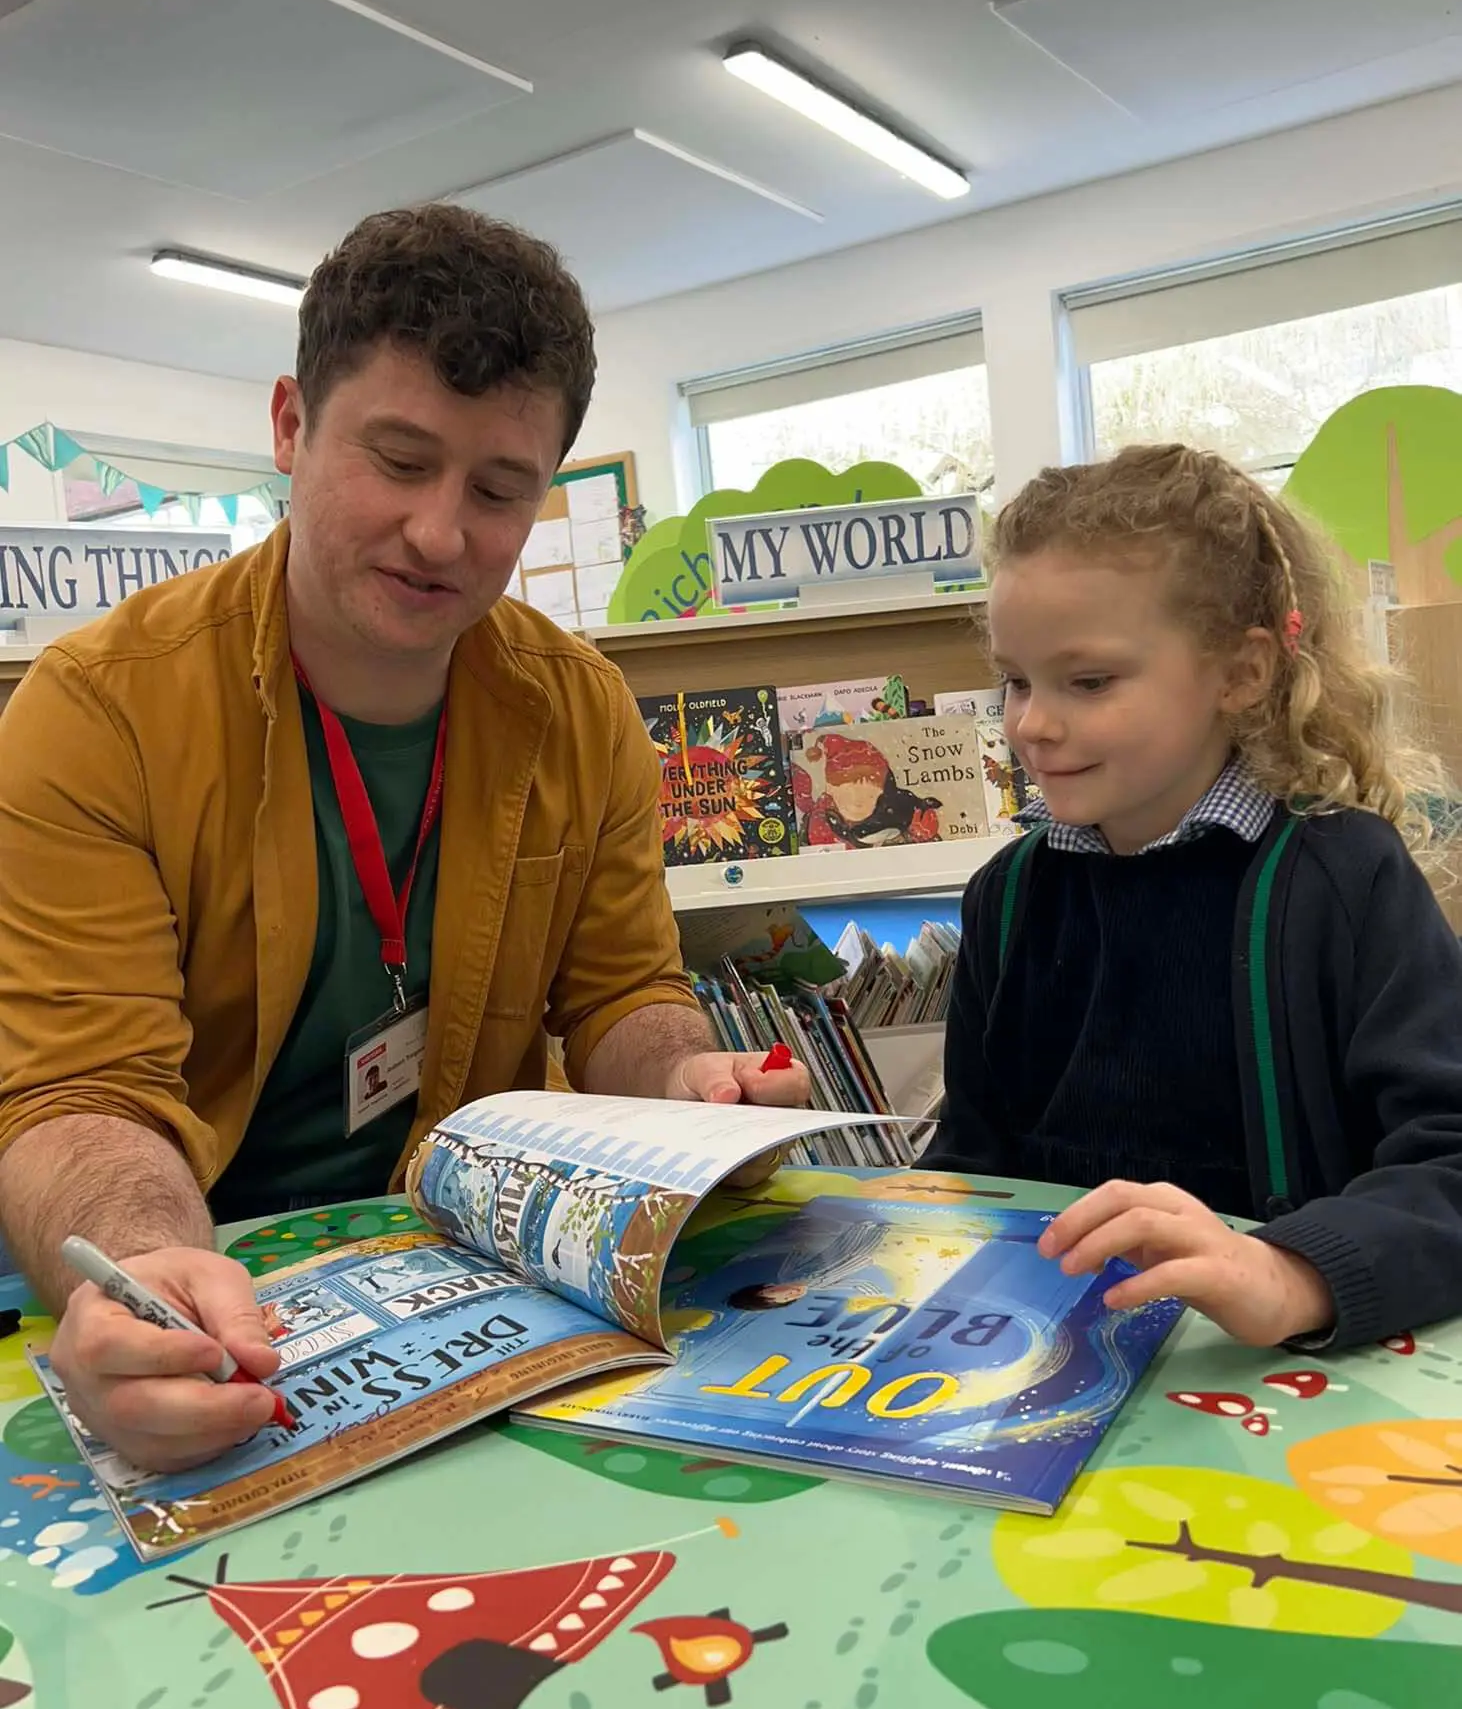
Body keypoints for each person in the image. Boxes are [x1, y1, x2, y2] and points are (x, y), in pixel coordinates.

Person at [0, 204, 808, 1472]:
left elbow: (622, 993)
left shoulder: (580, 706)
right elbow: (74, 1091)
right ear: (288, 424)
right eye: (397, 459)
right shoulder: (96, 710)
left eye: (500, 490)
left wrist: (686, 1082)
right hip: (203, 1285)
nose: (443, 534)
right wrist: (151, 1261)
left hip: (460, 1280)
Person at [923, 441, 1462, 1352]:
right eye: (1015, 680)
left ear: (1241, 675)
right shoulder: (1006, 899)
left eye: (1088, 682)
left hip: (1275, 1377)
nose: (1031, 724)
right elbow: (974, 1163)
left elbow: (1449, 1158)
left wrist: (1297, 1273)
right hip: (1052, 1360)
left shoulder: (1348, 880)